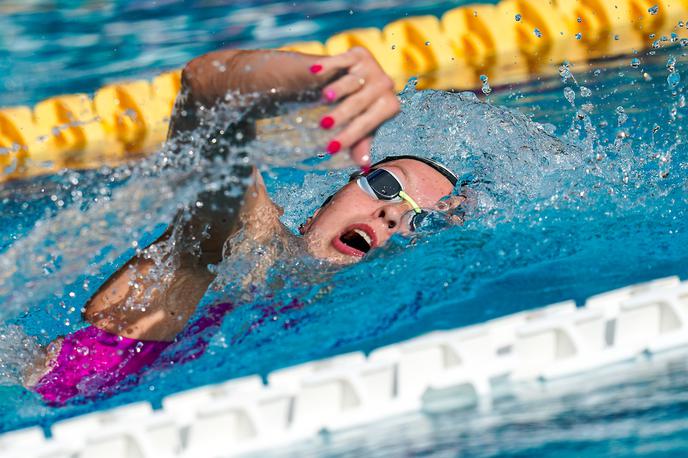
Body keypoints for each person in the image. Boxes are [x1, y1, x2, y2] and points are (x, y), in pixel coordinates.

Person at [25, 47, 462, 404]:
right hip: (56, 393)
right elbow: (205, 90)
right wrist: (322, 73)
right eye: (386, 185)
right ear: (318, 210)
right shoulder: (254, 240)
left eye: (417, 220)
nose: (391, 213)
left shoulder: (371, 325)